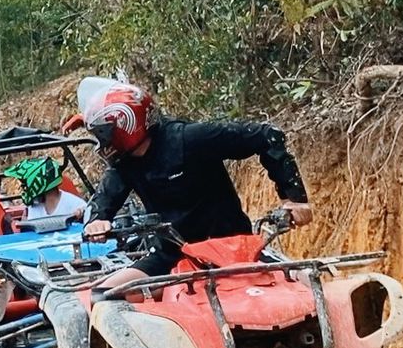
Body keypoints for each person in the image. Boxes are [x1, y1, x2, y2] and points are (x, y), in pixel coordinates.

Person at [62, 77, 312, 287]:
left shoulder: (189, 138)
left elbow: (267, 136)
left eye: (103, 134)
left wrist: (294, 199)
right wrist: (97, 220)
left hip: (234, 246)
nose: (101, 143)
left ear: (125, 126)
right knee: (104, 296)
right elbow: (104, 198)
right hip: (171, 253)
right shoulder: (125, 163)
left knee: (310, 281)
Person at [3, 157, 86, 220]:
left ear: (38, 181)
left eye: (25, 183)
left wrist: (80, 215)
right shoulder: (33, 207)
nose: (24, 188)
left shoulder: (76, 206)